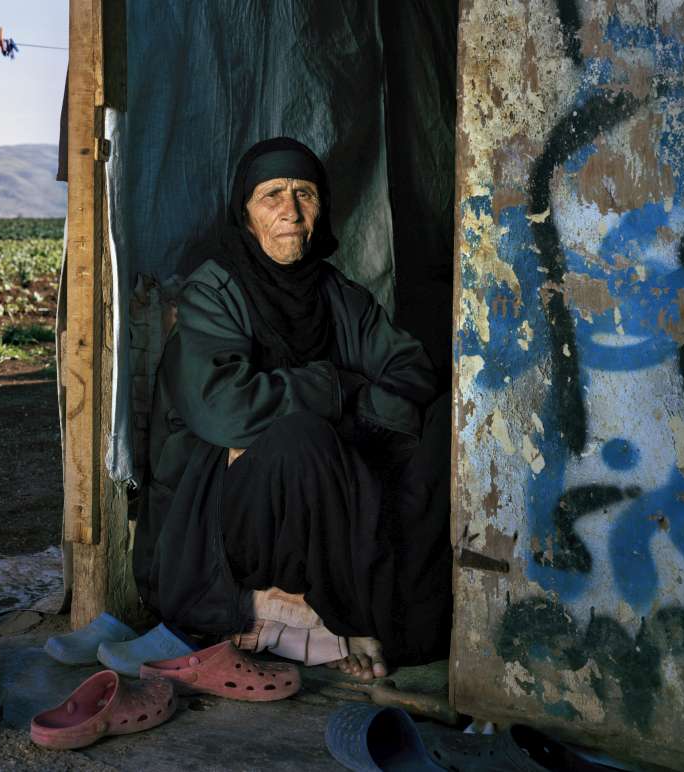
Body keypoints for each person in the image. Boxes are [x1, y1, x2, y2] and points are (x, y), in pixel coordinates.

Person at [133, 137, 450, 680]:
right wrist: (335, 388)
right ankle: (355, 616)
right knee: (303, 438)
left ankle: (410, 612)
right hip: (223, 510)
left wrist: (345, 414)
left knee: (449, 423)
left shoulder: (336, 295)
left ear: (322, 207)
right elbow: (226, 410)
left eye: (305, 193)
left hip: (329, 479)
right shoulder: (214, 292)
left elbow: (414, 372)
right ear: (245, 212)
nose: (291, 210)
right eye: (271, 195)